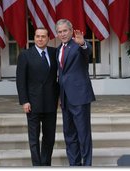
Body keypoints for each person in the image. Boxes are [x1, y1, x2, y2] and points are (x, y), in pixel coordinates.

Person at [55, 19, 96, 166]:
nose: (62, 34)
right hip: (65, 99)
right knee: (70, 136)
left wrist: (83, 44)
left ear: (71, 30)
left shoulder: (78, 45)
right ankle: (74, 165)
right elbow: (61, 75)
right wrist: (60, 96)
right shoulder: (59, 49)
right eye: (59, 32)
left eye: (65, 30)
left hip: (80, 97)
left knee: (83, 135)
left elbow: (88, 53)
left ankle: (87, 165)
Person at [16, 27, 59, 166]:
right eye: (38, 36)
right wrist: (24, 101)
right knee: (34, 139)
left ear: (48, 38)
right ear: (34, 38)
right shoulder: (25, 55)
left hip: (50, 103)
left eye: (43, 36)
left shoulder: (54, 52)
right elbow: (20, 80)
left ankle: (46, 165)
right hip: (33, 104)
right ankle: (37, 166)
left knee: (49, 138)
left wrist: (59, 98)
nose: (40, 39)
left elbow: (57, 78)